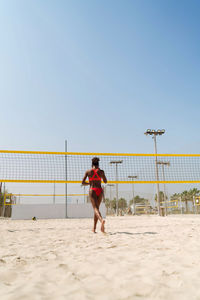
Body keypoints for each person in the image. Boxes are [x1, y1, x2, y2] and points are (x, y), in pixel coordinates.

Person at [82, 157, 107, 233]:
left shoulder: (88, 172)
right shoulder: (101, 171)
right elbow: (105, 181)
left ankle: (101, 220)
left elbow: (82, 182)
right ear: (98, 164)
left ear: (92, 164)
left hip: (92, 190)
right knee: (97, 209)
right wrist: (101, 176)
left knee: (95, 209)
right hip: (99, 190)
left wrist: (89, 183)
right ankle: (94, 228)